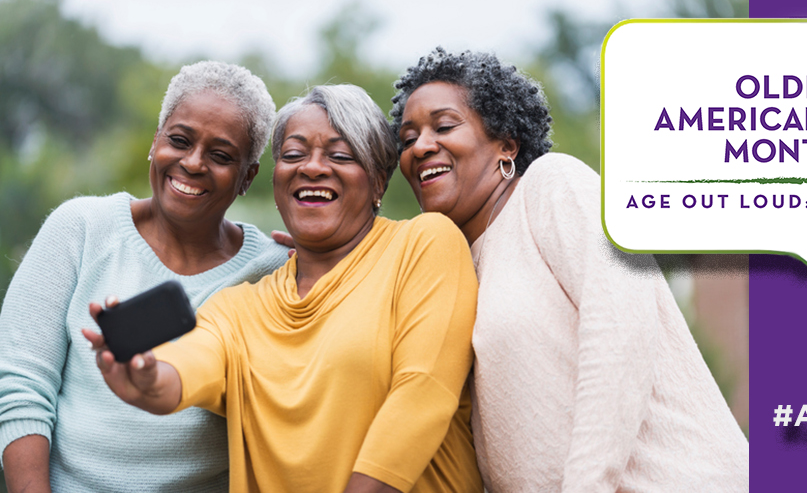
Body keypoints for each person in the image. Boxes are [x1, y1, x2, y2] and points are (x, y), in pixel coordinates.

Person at [85, 84, 483, 493]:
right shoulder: (238, 306)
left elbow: (422, 394)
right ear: (276, 183)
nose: (311, 168)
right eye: (293, 154)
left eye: (340, 155)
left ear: (378, 182)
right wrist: (145, 379)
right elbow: (187, 366)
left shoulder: (423, 245)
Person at [389, 48, 750, 492]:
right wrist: (320, 254)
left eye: (444, 126)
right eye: (407, 139)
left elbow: (620, 329)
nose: (421, 146)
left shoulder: (551, 186)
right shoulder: (455, 264)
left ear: (506, 144)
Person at [0, 61, 287, 492]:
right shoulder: (79, 228)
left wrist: (322, 261)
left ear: (247, 177)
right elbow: (21, 385)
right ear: (156, 142)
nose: (192, 163)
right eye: (179, 140)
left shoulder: (273, 271)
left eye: (221, 155)